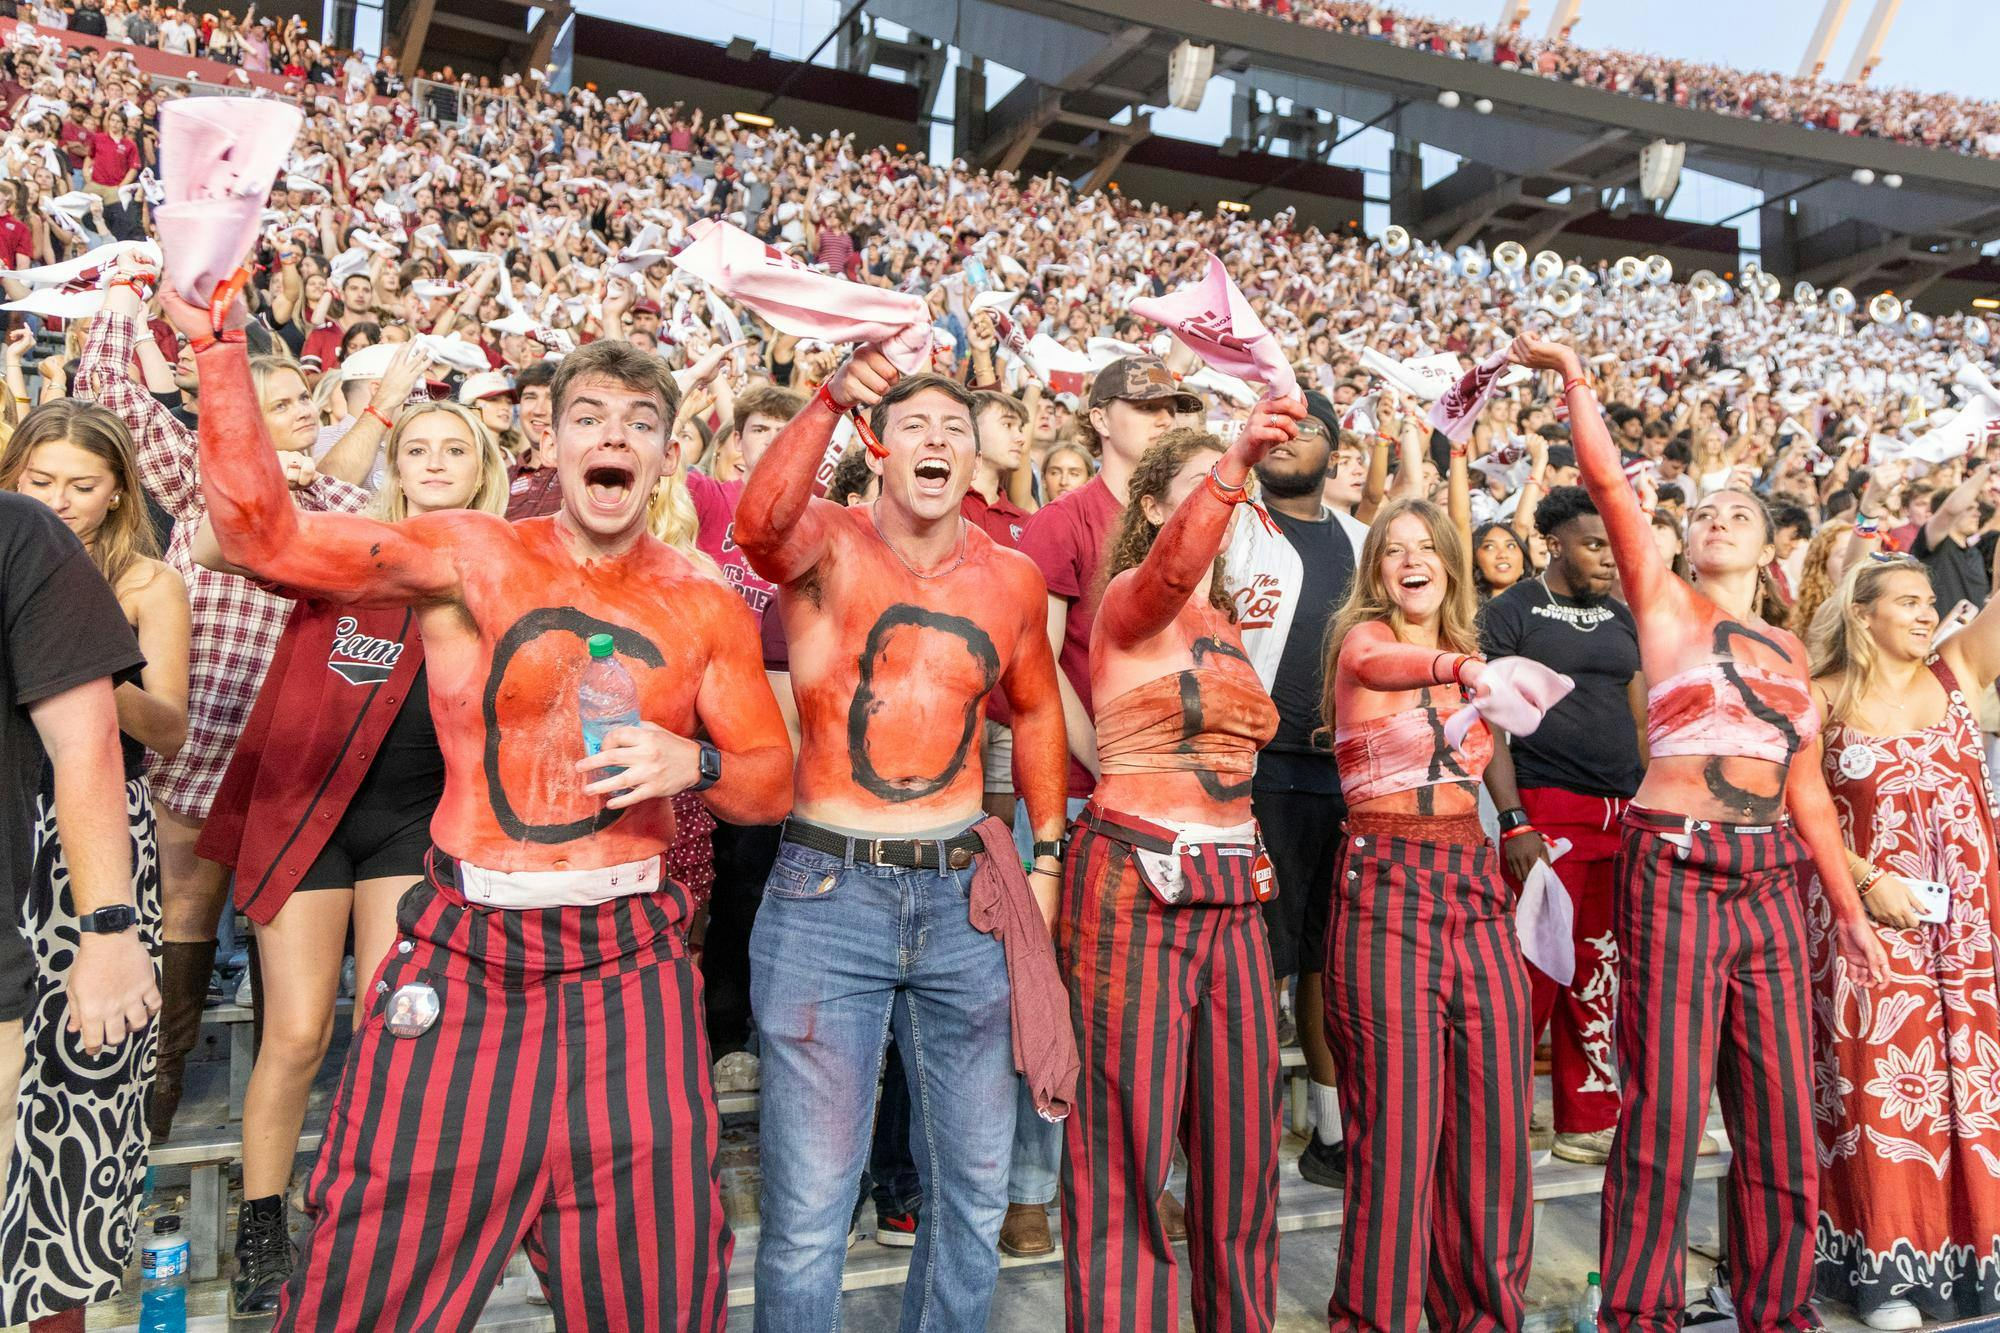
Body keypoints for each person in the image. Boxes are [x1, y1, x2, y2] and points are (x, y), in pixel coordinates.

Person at [170, 276, 793, 1328]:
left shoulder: (700, 596)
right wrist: (221, 352)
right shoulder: (472, 551)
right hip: (468, 948)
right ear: (545, 439)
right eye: (588, 416)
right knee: (374, 1274)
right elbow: (261, 540)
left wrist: (690, 762)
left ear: (666, 454)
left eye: (641, 422)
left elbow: (768, 781)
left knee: (660, 1277)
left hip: (629, 954)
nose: (615, 437)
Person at [1528, 329, 1890, 1333]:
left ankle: (1772, 1311)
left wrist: (1847, 904)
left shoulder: (1784, 646)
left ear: (1771, 543)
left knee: (1776, 1118)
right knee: (1664, 1110)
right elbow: (1605, 481)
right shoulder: (1662, 599)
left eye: (1740, 510)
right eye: (1704, 511)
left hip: (1773, 876)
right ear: (1683, 541)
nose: (1720, 518)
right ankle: (1637, 1314)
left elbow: (1807, 789)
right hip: (1676, 864)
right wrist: (1572, 376)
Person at [735, 353, 1071, 1332]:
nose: (936, 440)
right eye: (913, 424)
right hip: (824, 888)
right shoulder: (823, 545)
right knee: (808, 1207)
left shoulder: (1009, 575)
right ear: (878, 448)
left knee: (968, 1189)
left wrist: (1044, 851)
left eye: (953, 428)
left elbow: (1041, 710)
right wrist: (831, 396)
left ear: (975, 457)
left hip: (964, 893)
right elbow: (755, 525)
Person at [188, 402, 510, 1319]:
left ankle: (361, 1211)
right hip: (302, 812)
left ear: (482, 464)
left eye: (456, 447)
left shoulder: (497, 565)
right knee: (294, 1033)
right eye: (419, 448)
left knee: (390, 1025)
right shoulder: (344, 547)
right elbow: (217, 545)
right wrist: (282, 473)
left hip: (415, 821)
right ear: (395, 466)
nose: (437, 460)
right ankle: (261, 1222)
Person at [73, 260, 375, 1143]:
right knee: (186, 916)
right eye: (279, 406)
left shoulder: (351, 504)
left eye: (304, 408)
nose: (298, 420)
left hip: (298, 751)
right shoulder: (204, 478)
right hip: (199, 734)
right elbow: (111, 401)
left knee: (299, 943)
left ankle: (306, 1107)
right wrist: (125, 303)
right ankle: (154, 1109)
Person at [1063, 403, 1301, 1332]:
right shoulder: (1129, 595)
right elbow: (1171, 567)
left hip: (1236, 894)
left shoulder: (1234, 625)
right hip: (1137, 885)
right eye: (1202, 487)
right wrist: (1238, 454)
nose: (1227, 503)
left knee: (1244, 1150)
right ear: (1153, 504)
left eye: (1234, 489)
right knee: (1124, 1149)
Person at [1322, 495, 1534, 1333]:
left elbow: (1495, 747)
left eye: (1426, 548)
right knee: (1400, 1133)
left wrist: (1514, 821)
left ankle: (1483, 1316)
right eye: (1391, 550)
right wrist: (1461, 671)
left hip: (1472, 881)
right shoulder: (1363, 643)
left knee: (1495, 1121)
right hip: (1385, 879)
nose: (1410, 560)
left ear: (1449, 562)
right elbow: (1380, 668)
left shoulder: (1469, 655)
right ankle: (1375, 1320)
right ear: (1375, 570)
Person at [1010, 354, 1202, 1256]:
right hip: (1078, 791)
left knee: (1149, 1005)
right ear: (1098, 417)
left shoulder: (1198, 527)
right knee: (1047, 995)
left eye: (1176, 405)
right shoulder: (1060, 522)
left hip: (1173, 800)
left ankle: (1141, 1175)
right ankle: (1029, 1186)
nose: (1163, 416)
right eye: (1146, 403)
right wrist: (1107, 759)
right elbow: (1041, 663)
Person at [0, 403, 186, 1328]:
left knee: (84, 1087)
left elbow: (174, 725)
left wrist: (83, 672)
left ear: (118, 490)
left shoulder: (148, 580)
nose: (62, 501)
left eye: (82, 485)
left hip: (99, 848)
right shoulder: (12, 555)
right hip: (15, 819)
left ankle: (62, 1298)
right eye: (42, 482)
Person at [1805, 555, 2000, 1330]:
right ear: (1862, 613)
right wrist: (1865, 876)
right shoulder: (1821, 697)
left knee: (1974, 1090)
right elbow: (1798, 806)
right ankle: (1888, 1273)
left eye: (1931, 600)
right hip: (1866, 932)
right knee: (1879, 1095)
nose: (1928, 613)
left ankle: (1978, 1254)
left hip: (1969, 936)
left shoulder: (1957, 676)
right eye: (1909, 601)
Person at [1479, 485, 1644, 1164]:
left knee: (1599, 969)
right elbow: (1488, 723)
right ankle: (1501, 1113)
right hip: (1548, 809)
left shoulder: (1622, 616)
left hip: (1621, 813)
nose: (1608, 557)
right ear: (1554, 543)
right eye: (1593, 544)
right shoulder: (1509, 610)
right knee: (1533, 968)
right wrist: (1514, 820)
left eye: (1612, 544)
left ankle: (1585, 1118)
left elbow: (1637, 715)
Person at [1223, 391, 1357, 1184]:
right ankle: (1239, 1138)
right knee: (1252, 959)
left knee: (1324, 961)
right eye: (1277, 424)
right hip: (1256, 769)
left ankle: (1332, 1136)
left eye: (1307, 425)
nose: (1288, 437)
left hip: (1343, 776)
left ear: (1332, 449)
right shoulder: (1232, 528)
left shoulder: (1364, 541)